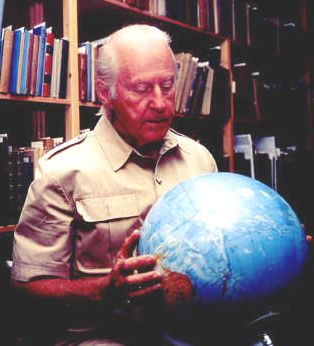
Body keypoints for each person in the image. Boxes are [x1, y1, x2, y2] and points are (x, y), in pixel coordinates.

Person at [10, 24, 218, 345]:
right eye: (142, 89)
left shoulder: (200, 159)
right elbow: (28, 290)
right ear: (106, 92)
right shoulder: (62, 171)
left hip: (190, 329)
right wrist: (104, 290)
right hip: (102, 336)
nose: (161, 103)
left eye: (167, 85)